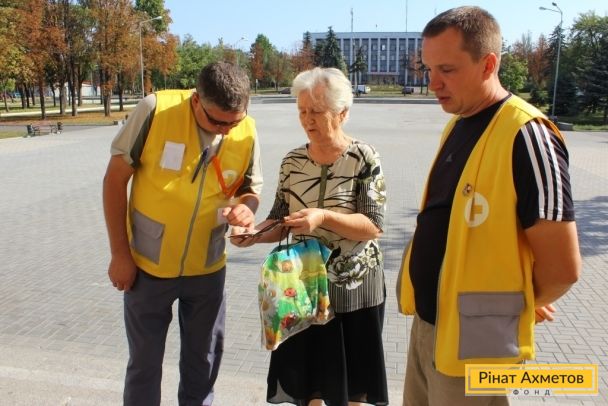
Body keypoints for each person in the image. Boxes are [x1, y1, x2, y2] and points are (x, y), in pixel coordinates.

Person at [396, 6, 582, 406]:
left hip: (474, 343)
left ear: (488, 65)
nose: (433, 83)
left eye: (447, 70)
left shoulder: (528, 135)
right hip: (429, 327)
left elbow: (563, 268)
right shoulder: (458, 123)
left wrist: (520, 305)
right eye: (428, 69)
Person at [102, 61, 262, 406]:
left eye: (233, 122)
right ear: (195, 100)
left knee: (203, 363)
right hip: (147, 266)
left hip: (207, 269)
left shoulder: (247, 129)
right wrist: (119, 254)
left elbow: (250, 189)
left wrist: (247, 210)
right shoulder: (156, 110)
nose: (225, 131)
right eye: (217, 122)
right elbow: (114, 180)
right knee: (144, 365)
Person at [231, 67, 389, 406]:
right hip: (302, 292)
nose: (307, 120)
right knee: (309, 390)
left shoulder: (364, 157)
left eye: (316, 111)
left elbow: (373, 225)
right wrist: (253, 234)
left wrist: (323, 217)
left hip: (354, 292)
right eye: (302, 111)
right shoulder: (292, 161)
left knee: (351, 390)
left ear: (342, 113)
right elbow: (280, 220)